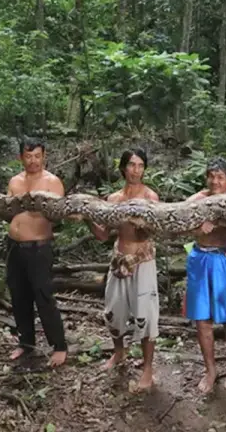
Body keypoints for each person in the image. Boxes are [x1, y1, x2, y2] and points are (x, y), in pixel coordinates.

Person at [91, 148, 161, 393]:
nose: (136, 170)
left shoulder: (151, 196)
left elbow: (152, 232)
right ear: (123, 168)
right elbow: (102, 235)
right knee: (114, 311)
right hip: (118, 259)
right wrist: (88, 216)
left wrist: (142, 221)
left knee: (145, 315)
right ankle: (119, 353)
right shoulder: (113, 199)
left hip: (143, 261)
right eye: (132, 165)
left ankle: (148, 369)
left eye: (141, 165)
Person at [6, 137, 68, 367]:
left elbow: (59, 217)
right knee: (18, 296)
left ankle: (59, 345)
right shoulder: (15, 181)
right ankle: (26, 343)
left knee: (43, 297)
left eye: (37, 156)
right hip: (14, 246)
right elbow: (8, 211)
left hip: (39, 247)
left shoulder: (52, 182)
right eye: (28, 156)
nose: (33, 161)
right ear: (21, 157)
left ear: (44, 156)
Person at [184, 157, 226, 393]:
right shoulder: (197, 200)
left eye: (220, 177)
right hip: (199, 258)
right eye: (211, 175)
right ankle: (210, 370)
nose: (215, 181)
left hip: (223, 260)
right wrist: (198, 228)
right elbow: (178, 224)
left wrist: (221, 225)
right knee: (202, 320)